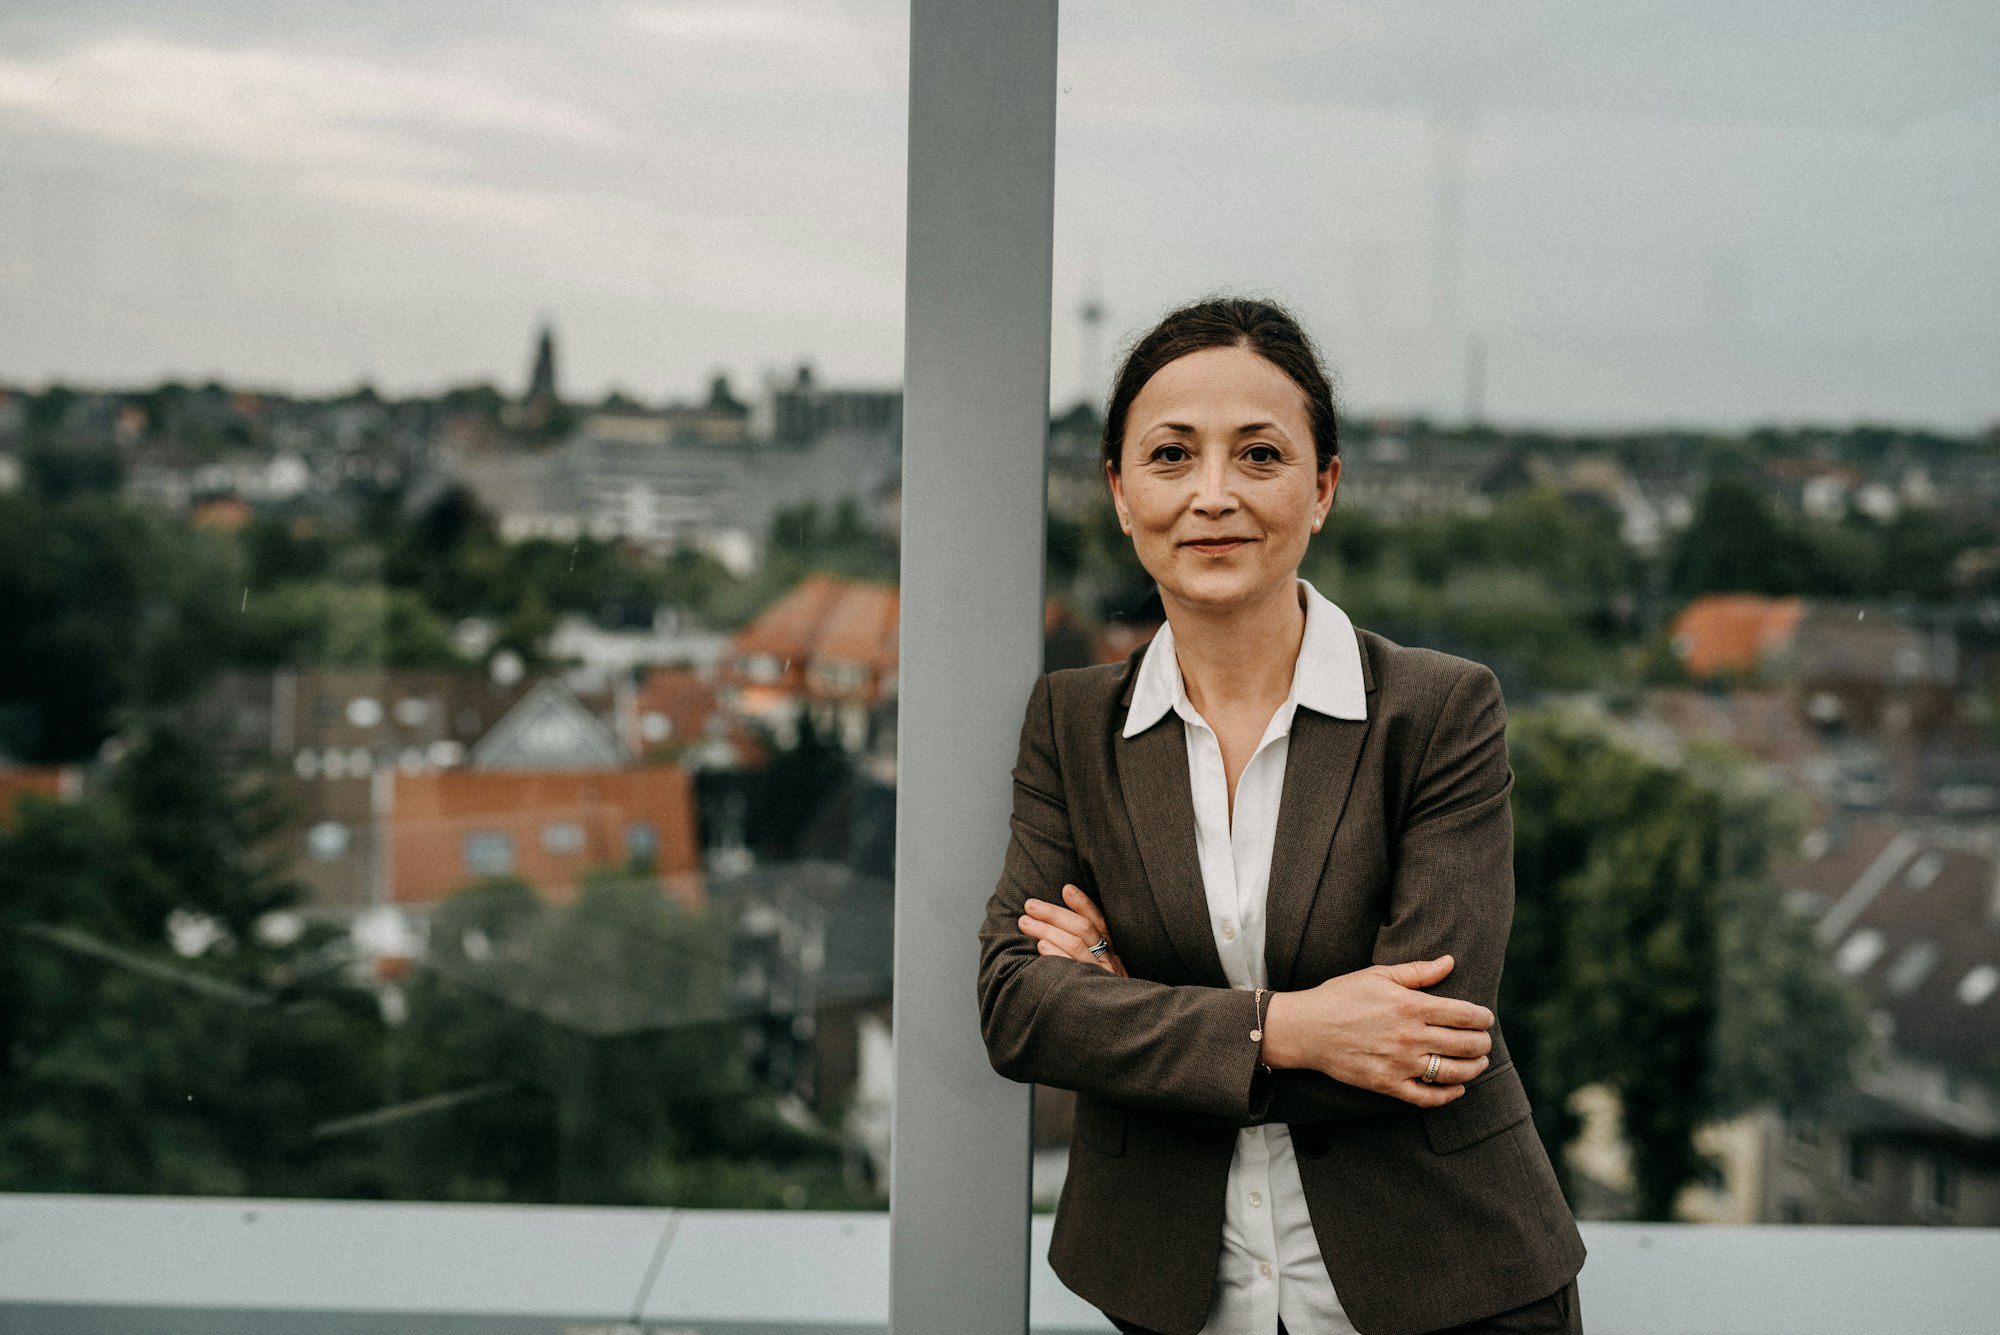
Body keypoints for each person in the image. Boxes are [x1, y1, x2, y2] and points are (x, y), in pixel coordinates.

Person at [976, 298, 1585, 1335]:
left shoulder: (1437, 714)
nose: (1212, 494)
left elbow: (1424, 1046)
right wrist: (1298, 1027)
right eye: (1171, 456)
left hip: (1445, 1285)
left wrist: (1138, 1017)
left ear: (1322, 488)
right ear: (1121, 495)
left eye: (1258, 454)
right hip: (1177, 1293)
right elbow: (1018, 1008)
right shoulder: (1069, 724)